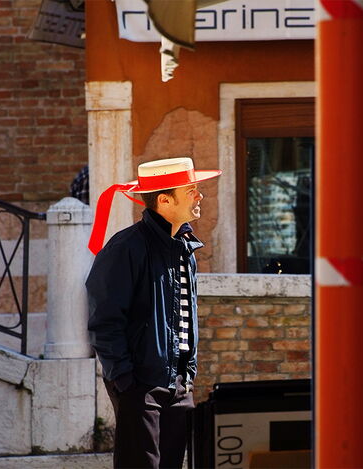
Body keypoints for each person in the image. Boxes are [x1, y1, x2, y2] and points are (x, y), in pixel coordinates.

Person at [86, 157, 221, 468]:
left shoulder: (185, 248)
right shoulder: (125, 247)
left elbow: (185, 314)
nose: (199, 195)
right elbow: (104, 320)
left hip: (179, 385)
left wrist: (188, 374)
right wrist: (126, 380)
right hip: (139, 385)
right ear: (164, 200)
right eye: (191, 190)